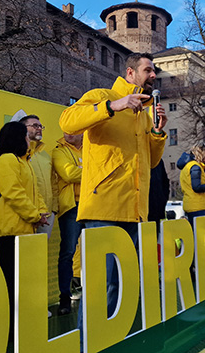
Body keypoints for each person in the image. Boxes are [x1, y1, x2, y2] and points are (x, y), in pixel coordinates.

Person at [59, 52, 167, 317]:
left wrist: (157, 133)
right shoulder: (101, 96)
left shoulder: (143, 114)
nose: (153, 75)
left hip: (134, 211)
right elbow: (67, 122)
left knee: (124, 288)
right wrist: (113, 106)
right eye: (148, 70)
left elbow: (151, 163)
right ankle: (89, 344)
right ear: (130, 73)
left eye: (154, 72)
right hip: (103, 211)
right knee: (101, 288)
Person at [0, 122, 49, 333]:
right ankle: (9, 328)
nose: (29, 139)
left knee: (23, 282)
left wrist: (41, 212)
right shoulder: (7, 160)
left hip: (25, 229)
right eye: (26, 135)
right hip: (10, 229)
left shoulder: (24, 162)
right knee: (12, 280)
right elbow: (13, 192)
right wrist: (34, 215)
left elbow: (35, 192)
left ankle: (21, 325)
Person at [52, 132, 83, 315]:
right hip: (71, 206)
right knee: (68, 252)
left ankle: (95, 292)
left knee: (95, 251)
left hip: (92, 204)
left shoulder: (92, 148)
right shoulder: (59, 151)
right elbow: (69, 174)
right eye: (65, 130)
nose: (68, 133)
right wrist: (95, 172)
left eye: (74, 129)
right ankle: (64, 297)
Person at [20, 115, 58, 237]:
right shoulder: (16, 152)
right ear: (22, 128)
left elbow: (53, 182)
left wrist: (53, 209)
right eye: (35, 125)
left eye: (41, 126)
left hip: (46, 214)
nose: (39, 128)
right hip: (25, 213)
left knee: (40, 252)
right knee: (23, 253)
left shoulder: (46, 155)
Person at [179, 143, 205, 225]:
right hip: (197, 206)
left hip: (191, 204)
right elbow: (196, 187)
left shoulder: (188, 166)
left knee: (195, 234)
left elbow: (204, 178)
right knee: (201, 235)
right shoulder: (195, 167)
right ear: (201, 154)